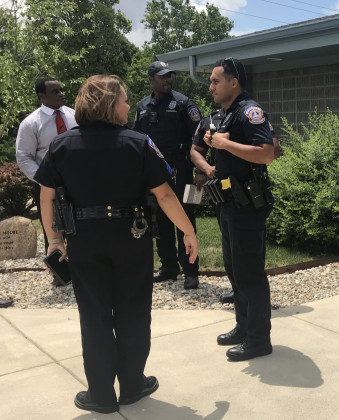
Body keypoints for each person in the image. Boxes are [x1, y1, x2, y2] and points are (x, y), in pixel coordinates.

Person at [34, 75, 198, 413]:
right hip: (131, 240)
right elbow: (165, 194)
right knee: (133, 313)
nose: (128, 105)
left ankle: (100, 394)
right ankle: (133, 385)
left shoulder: (62, 145)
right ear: (110, 103)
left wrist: (54, 239)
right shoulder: (138, 143)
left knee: (93, 316)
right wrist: (188, 232)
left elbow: (45, 196)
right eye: (124, 100)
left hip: (84, 242)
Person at [194, 58, 275, 361]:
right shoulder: (225, 116)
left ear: (233, 83)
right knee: (235, 270)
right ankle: (243, 326)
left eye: (216, 81)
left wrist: (225, 146)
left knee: (250, 273)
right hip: (228, 202)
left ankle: (258, 340)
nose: (211, 86)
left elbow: (267, 153)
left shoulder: (248, 112)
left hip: (247, 206)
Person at [191, 111, 282, 305]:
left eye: (216, 82)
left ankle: (253, 297)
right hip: (223, 192)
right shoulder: (210, 120)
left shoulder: (249, 117)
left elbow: (273, 150)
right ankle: (238, 291)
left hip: (249, 194)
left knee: (250, 249)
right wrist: (207, 169)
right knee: (228, 244)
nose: (211, 87)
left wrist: (230, 143)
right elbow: (195, 150)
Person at [133, 61, 202, 289]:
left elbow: (199, 139)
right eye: (162, 76)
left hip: (182, 171)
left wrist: (201, 170)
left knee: (186, 219)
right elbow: (137, 139)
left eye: (169, 76)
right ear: (151, 78)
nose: (167, 79)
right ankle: (169, 267)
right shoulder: (142, 106)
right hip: (154, 172)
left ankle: (190, 270)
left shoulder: (183, 103)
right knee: (159, 219)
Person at [16, 77, 78, 287]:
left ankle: (81, 272)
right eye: (55, 91)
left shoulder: (74, 116)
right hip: (47, 186)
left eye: (61, 89)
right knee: (53, 229)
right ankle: (59, 275)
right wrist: (44, 181)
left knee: (78, 226)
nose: (61, 93)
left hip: (76, 182)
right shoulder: (31, 123)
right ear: (41, 95)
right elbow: (24, 157)